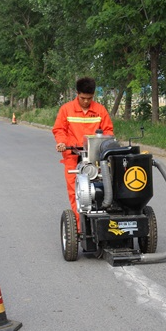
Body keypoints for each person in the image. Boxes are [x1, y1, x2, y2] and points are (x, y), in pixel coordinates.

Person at [52, 77, 114, 223]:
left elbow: (108, 131)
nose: (86, 101)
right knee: (76, 192)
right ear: (77, 93)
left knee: (101, 188)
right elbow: (59, 129)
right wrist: (61, 142)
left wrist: (106, 144)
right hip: (73, 157)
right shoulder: (66, 109)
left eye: (89, 98)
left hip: (96, 159)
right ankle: (81, 227)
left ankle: (102, 221)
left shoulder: (100, 110)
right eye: (83, 98)